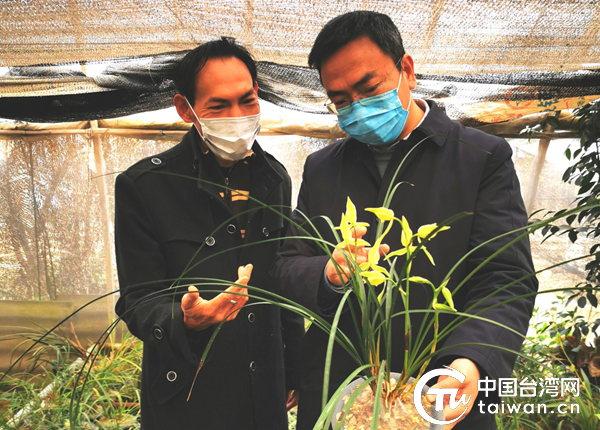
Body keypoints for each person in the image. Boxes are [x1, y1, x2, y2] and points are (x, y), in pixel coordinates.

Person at [274, 11, 538, 430]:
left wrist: (470, 360)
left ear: (407, 71)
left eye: (369, 88)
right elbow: (288, 265)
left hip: (439, 392)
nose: (358, 108)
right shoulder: (323, 169)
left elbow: (506, 277)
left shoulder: (479, 157)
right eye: (341, 101)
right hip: (341, 395)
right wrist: (327, 272)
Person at [114, 37, 304, 430]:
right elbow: (137, 299)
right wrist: (184, 320)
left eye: (247, 100)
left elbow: (281, 285)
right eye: (218, 106)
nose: (237, 116)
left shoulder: (274, 178)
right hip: (190, 392)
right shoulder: (146, 185)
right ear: (185, 108)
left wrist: (294, 366)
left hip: (263, 390)